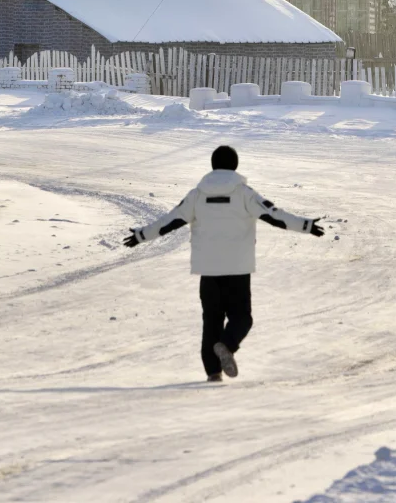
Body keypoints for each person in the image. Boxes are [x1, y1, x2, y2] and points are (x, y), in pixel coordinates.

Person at [123, 144, 324, 381]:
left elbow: (171, 221)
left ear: (212, 166)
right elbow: (274, 215)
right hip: (238, 269)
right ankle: (227, 346)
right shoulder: (244, 193)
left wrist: (141, 235)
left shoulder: (196, 195)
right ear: (235, 166)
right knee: (242, 318)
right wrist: (306, 226)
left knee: (212, 322)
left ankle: (213, 373)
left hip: (208, 271)